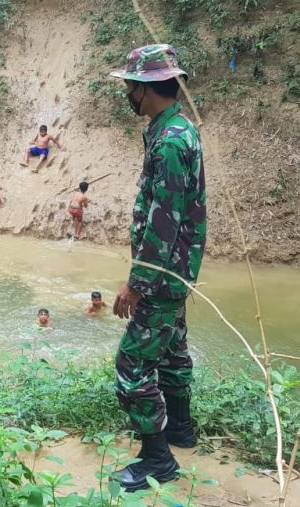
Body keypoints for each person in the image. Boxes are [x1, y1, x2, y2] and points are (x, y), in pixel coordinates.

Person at [107, 44, 207, 491]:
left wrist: (136, 285)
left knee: (132, 365)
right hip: (177, 270)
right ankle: (180, 429)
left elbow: (163, 222)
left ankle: (158, 459)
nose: (126, 93)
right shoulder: (175, 129)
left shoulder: (169, 142)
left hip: (162, 275)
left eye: (129, 85)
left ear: (145, 89)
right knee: (172, 350)